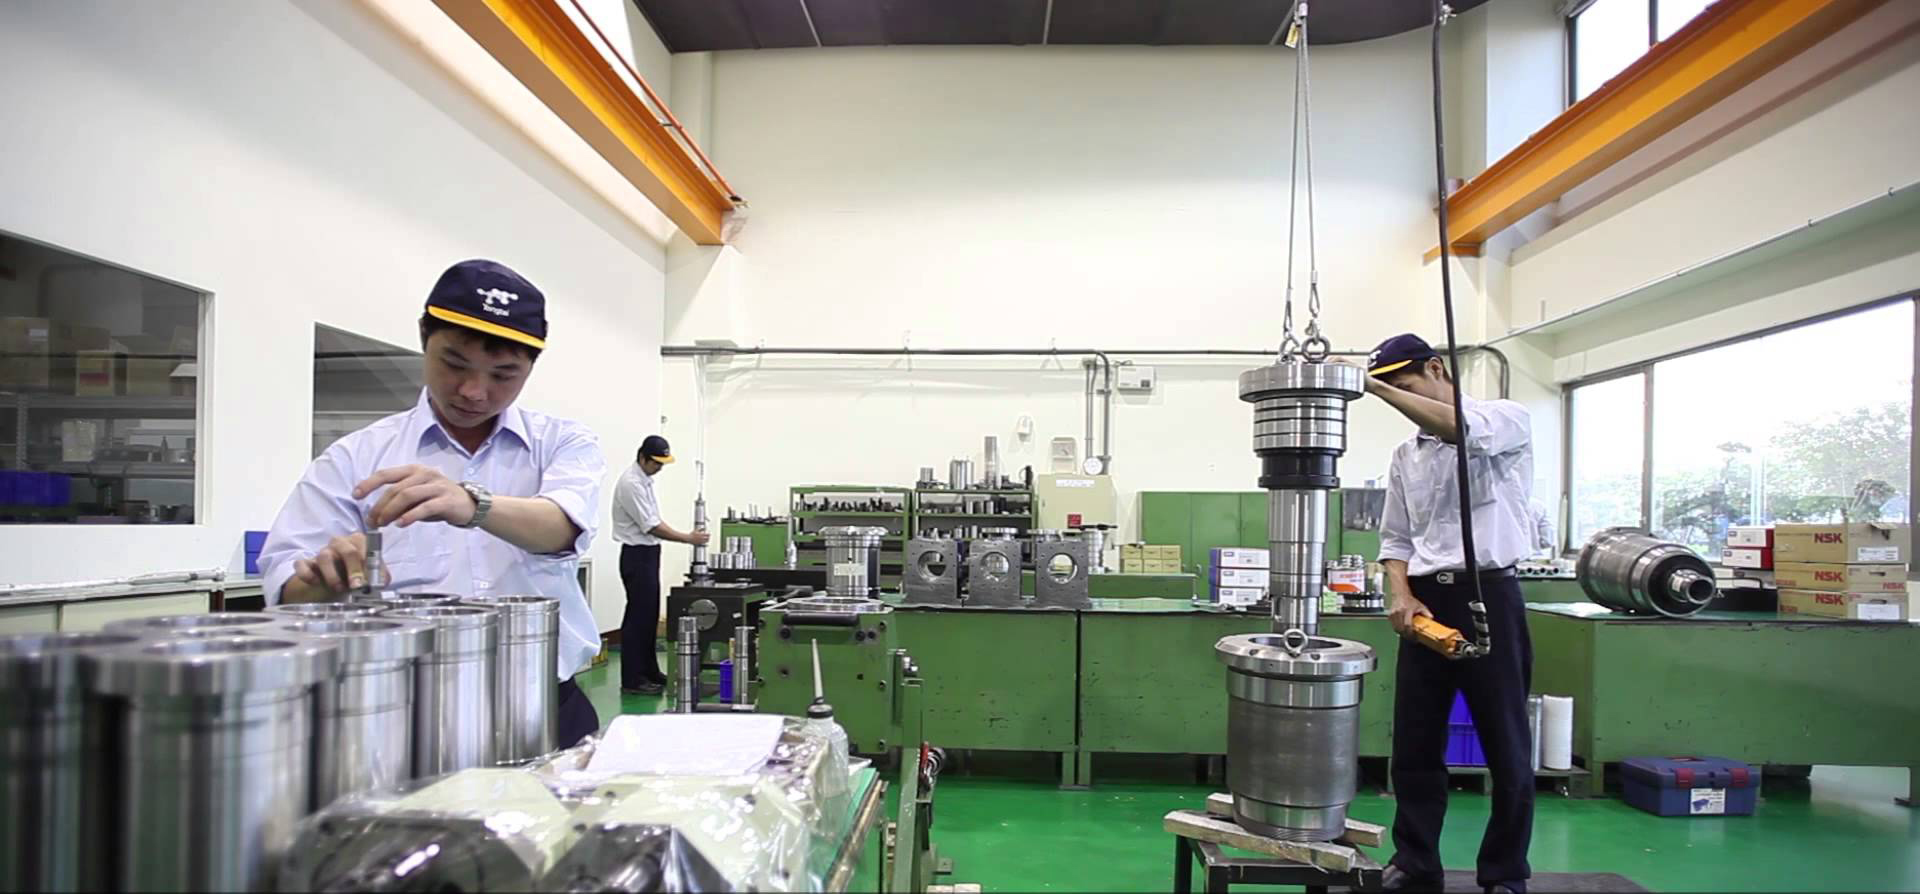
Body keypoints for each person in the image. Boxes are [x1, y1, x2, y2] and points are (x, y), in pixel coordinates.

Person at [257, 259, 606, 747]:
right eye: (455, 364)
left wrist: (471, 505)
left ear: (531, 367)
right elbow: (286, 588)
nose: (474, 391)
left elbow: (561, 526)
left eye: (504, 374)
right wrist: (325, 577)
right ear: (424, 335)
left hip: (544, 706)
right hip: (400, 719)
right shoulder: (356, 458)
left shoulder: (562, 444)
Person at [1364, 334, 1535, 894]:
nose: (1400, 401)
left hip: (1489, 594)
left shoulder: (1505, 419)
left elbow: (1463, 430)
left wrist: (1371, 387)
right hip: (1424, 604)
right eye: (1391, 391)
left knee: (1505, 743)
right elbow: (1396, 538)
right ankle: (1416, 862)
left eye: (1405, 387)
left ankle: (1505, 872)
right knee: (1414, 744)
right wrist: (1400, 594)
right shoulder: (1405, 457)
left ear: (1437, 369)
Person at [610, 434, 710, 695]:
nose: (659, 467)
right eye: (656, 462)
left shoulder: (645, 481)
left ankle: (649, 671)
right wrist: (688, 538)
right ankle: (633, 680)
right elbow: (652, 526)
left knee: (649, 616)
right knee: (637, 618)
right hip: (636, 555)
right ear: (642, 457)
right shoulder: (631, 483)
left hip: (649, 554)